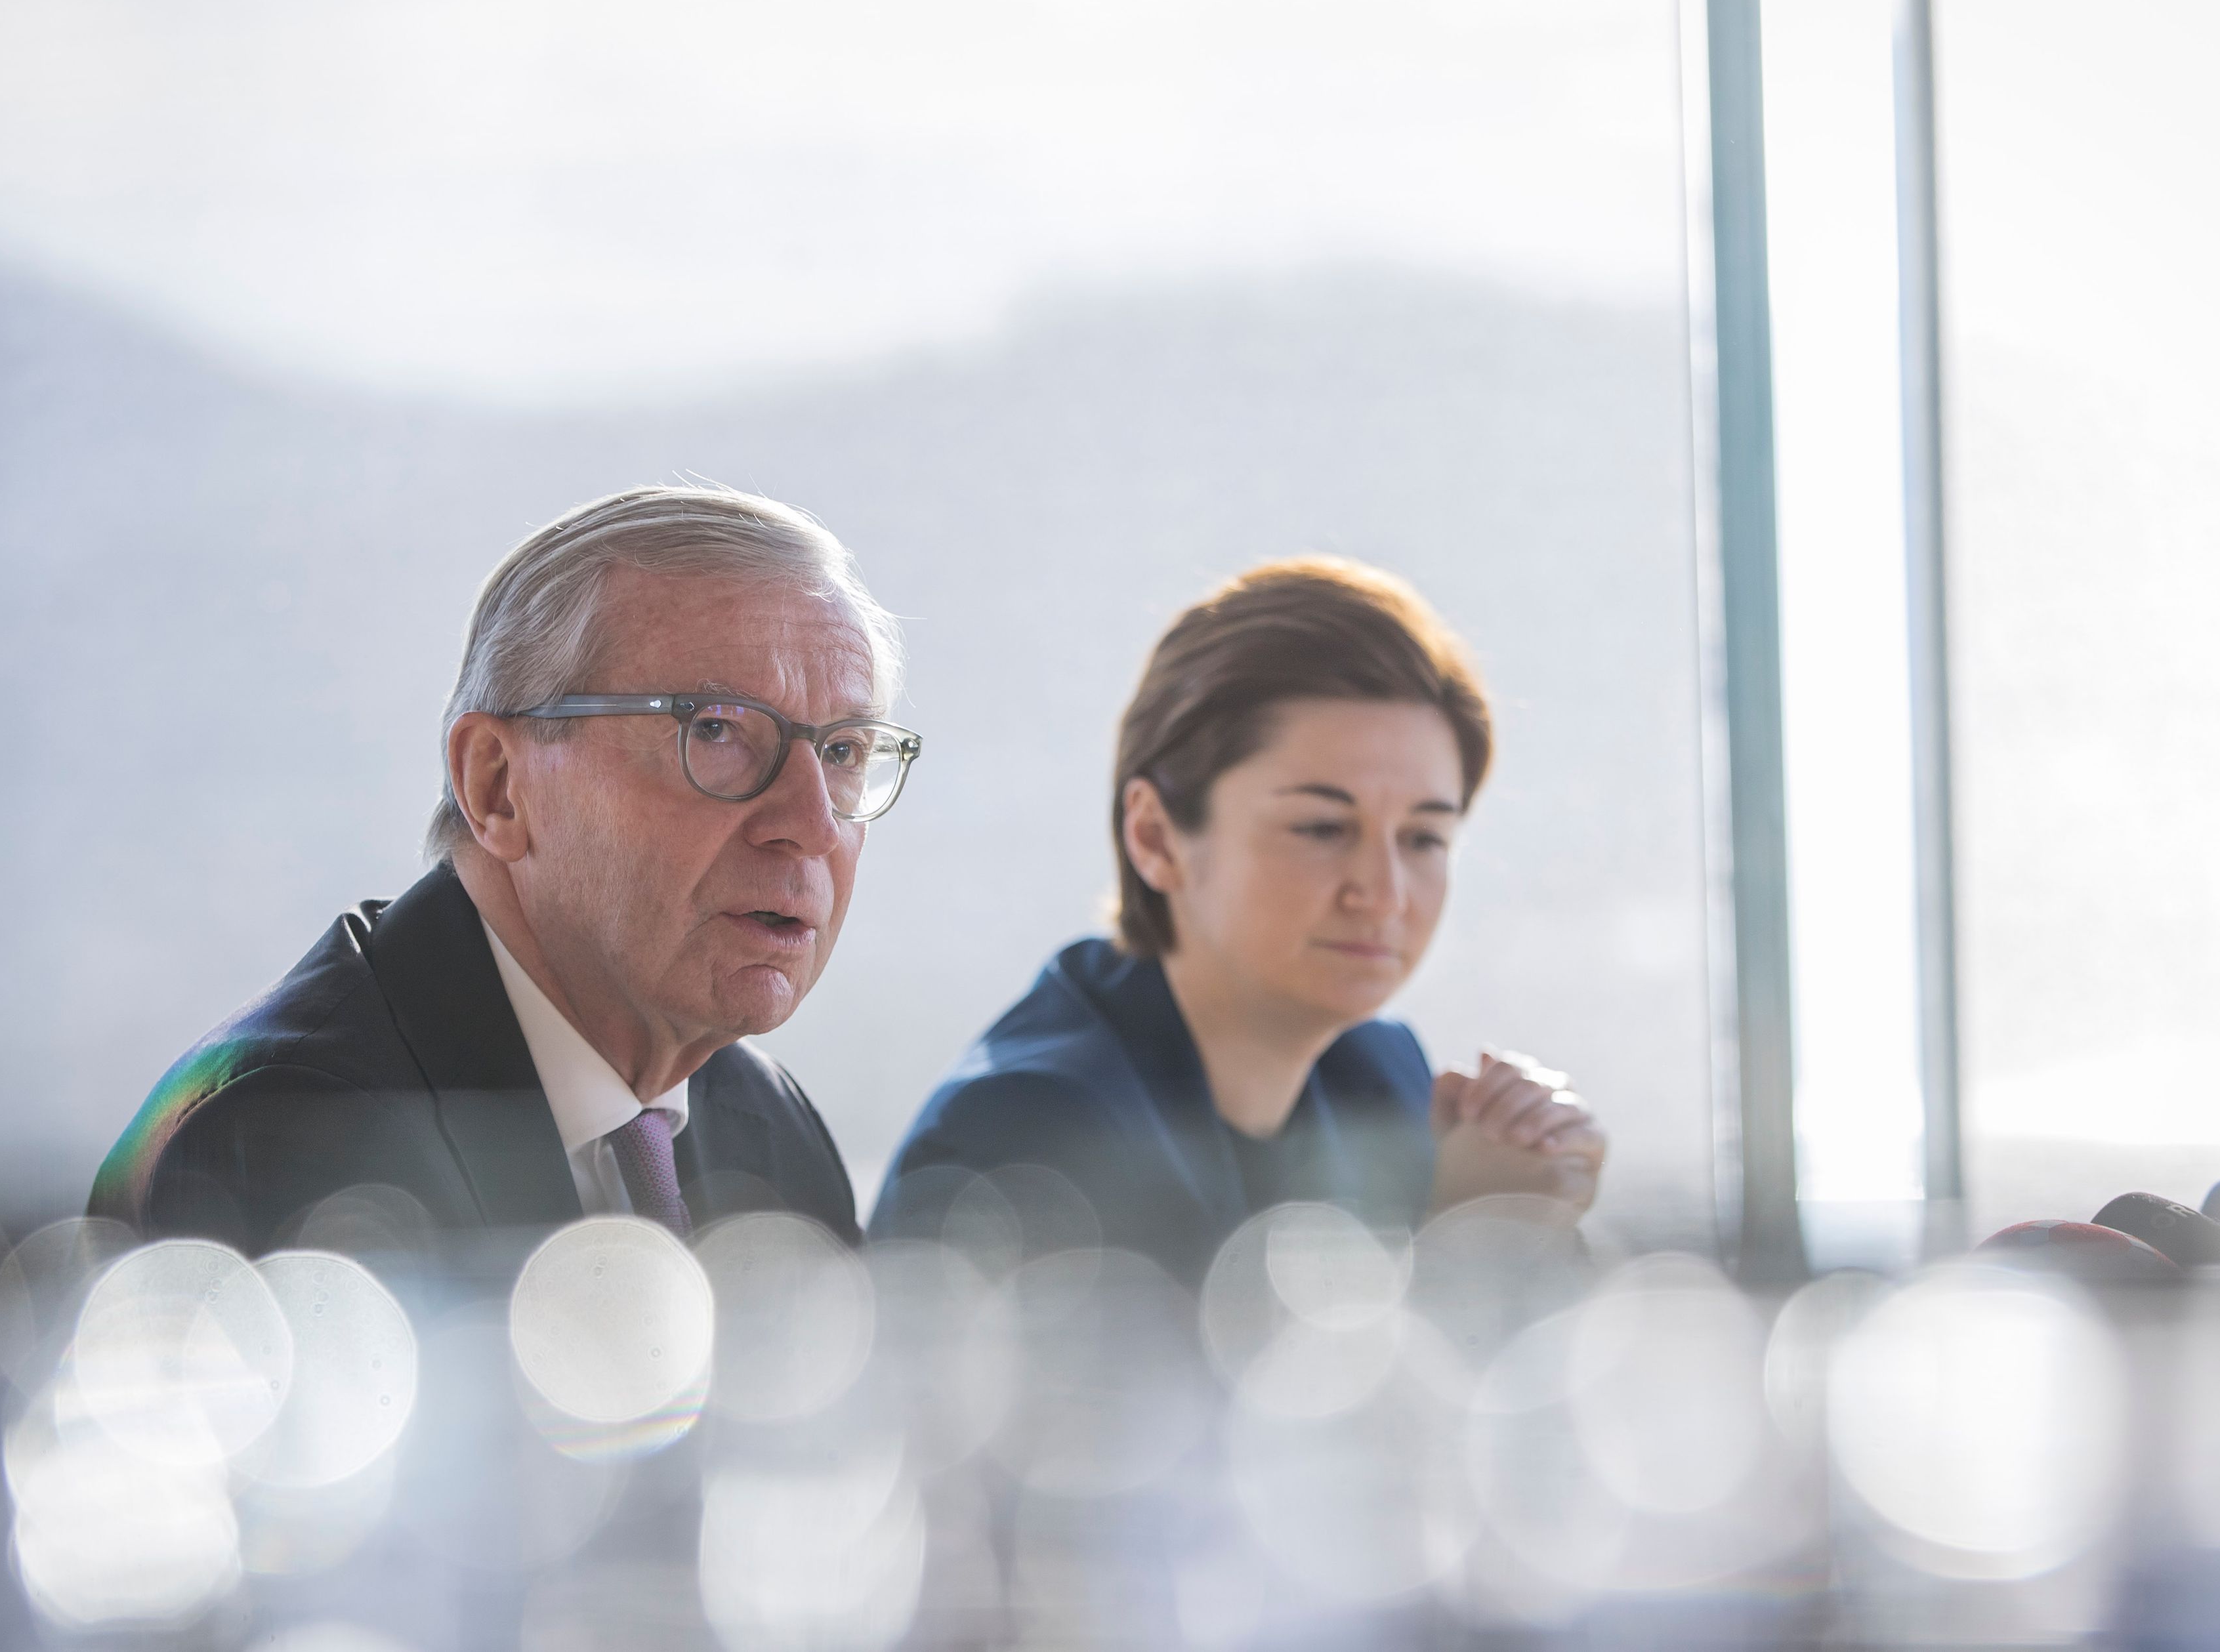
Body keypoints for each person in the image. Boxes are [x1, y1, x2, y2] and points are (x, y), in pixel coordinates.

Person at [91, 484, 920, 1254]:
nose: (811, 826)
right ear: (496, 784)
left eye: (844, 751)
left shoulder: (769, 1128)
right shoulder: (286, 1132)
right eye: (715, 731)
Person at [869, 558, 1604, 1282]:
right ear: (1155, 837)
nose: (1383, 894)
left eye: (1423, 839)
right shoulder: (1029, 1131)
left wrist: (1528, 1200)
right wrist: (1471, 1244)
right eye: (1321, 828)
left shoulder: (1376, 1072)